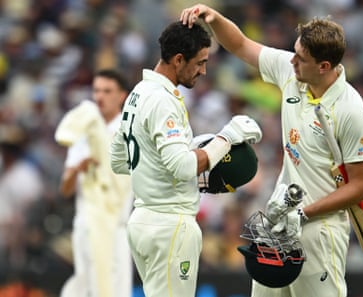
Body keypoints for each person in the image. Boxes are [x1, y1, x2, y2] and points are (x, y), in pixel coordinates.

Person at [181, 4, 363, 297]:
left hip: (320, 230)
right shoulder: (292, 70)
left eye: (301, 58)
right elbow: (242, 45)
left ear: (324, 66)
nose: (292, 60)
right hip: (277, 223)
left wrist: (304, 214)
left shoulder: (351, 110)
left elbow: (362, 185)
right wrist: (214, 18)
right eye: (294, 52)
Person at [109, 21, 262, 297]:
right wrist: (227, 137)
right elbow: (183, 167)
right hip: (170, 225)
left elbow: (119, 160)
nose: (203, 70)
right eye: (200, 62)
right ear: (178, 60)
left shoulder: (138, 93)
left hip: (142, 221)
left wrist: (180, 152)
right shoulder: (163, 100)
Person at [55, 69, 134, 297]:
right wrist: (77, 169)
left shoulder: (131, 132)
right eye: (96, 91)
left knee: (116, 290)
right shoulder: (84, 131)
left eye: (107, 91)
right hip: (88, 223)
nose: (100, 97)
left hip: (119, 225)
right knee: (86, 285)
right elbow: (66, 189)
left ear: (122, 96)